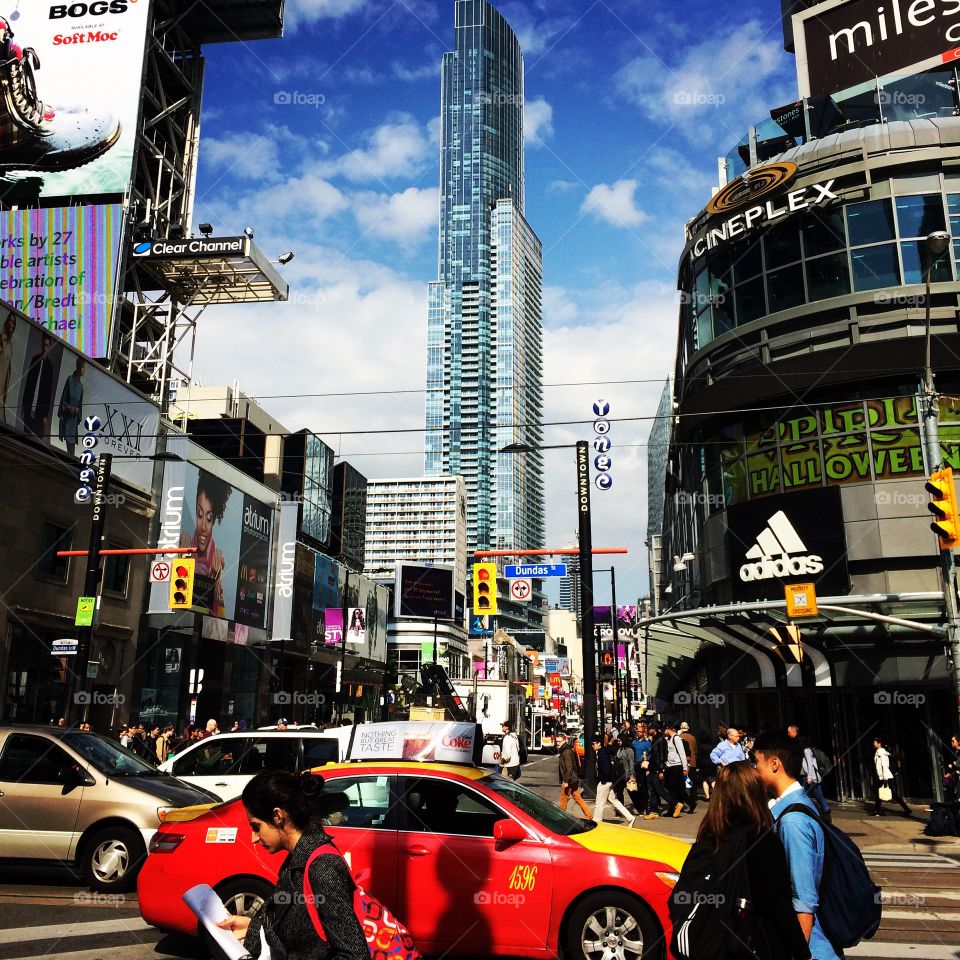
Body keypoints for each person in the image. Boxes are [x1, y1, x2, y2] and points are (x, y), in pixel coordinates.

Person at [217, 771, 371, 960]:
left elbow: (354, 955)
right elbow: (294, 930)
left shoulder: (322, 867)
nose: (254, 838)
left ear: (278, 816)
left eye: (256, 827)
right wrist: (252, 927)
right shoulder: (297, 860)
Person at [672, 761, 812, 960]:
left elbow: (679, 898)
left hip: (706, 948)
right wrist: (802, 953)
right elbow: (780, 908)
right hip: (752, 947)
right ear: (756, 795)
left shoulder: (707, 841)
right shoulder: (763, 843)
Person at [753, 730, 839, 960]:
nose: (755, 770)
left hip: (811, 948)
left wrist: (797, 954)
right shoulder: (795, 806)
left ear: (774, 763)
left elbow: (803, 902)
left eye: (756, 762)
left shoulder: (792, 821)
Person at [179, 470, 231, 617]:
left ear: (214, 520)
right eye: (200, 514)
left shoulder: (217, 560)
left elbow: (219, 623)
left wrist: (214, 577)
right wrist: (181, 561)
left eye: (208, 519)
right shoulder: (183, 544)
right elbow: (175, 599)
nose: (203, 527)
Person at [592, 734, 635, 826]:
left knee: (599, 803)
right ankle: (630, 817)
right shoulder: (604, 752)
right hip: (609, 781)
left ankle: (597, 821)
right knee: (614, 801)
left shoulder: (602, 754)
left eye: (594, 743)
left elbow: (606, 769)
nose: (593, 745)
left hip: (604, 782)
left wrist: (602, 781)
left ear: (599, 744)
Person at [21, 333, 55, 438]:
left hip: (40, 413)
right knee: (25, 438)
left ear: (49, 347)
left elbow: (48, 393)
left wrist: (45, 415)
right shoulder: (34, 359)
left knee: (37, 441)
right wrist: (23, 405)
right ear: (41, 345)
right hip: (29, 407)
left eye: (47, 346)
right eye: (44, 345)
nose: (45, 348)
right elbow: (28, 383)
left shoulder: (50, 367)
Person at [873, 736, 911, 818]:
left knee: (892, 795)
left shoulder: (881, 753)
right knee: (879, 793)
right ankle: (877, 810)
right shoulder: (878, 752)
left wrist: (885, 779)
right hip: (882, 776)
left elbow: (884, 765)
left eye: (875, 742)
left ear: (879, 743)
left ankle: (907, 810)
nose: (874, 743)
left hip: (885, 777)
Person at [556, 732, 592, 818]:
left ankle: (561, 817)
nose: (558, 743)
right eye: (557, 741)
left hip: (570, 779)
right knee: (578, 798)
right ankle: (589, 815)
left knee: (564, 799)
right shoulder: (565, 750)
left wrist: (566, 781)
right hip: (573, 779)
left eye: (560, 741)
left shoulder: (566, 752)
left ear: (565, 741)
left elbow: (569, 768)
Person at [57, 357, 84, 456]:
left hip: (74, 419)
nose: (84, 370)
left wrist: (77, 410)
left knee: (72, 445)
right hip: (67, 417)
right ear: (79, 368)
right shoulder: (69, 380)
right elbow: (64, 399)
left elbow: (80, 405)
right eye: (83, 367)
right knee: (68, 442)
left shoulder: (81, 387)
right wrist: (68, 407)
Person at [679, 721, 699, 813]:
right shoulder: (693, 737)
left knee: (683, 782)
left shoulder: (680, 737)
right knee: (692, 782)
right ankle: (693, 798)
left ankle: (684, 802)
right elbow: (695, 750)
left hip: (684, 763)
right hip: (693, 762)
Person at [0, 311, 16, 426]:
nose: (11, 324)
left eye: (13, 322)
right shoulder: (1, 338)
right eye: (10, 321)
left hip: (2, 388)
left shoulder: (10, 345)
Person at [945, 734, 960, 803]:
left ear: (958, 742)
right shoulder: (955, 752)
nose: (951, 742)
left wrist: (953, 766)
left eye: (953, 741)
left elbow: (957, 764)